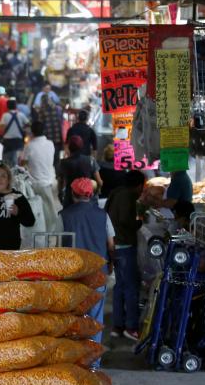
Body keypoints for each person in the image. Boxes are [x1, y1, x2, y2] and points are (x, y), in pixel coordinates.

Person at [60, 178, 115, 365]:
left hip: (73, 275)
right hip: (98, 273)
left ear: (73, 193)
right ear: (90, 194)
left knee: (73, 317)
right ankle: (93, 363)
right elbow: (111, 245)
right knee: (95, 317)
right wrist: (111, 266)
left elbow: (54, 245)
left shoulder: (64, 215)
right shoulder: (103, 215)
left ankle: (74, 360)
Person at [105, 170, 146, 341]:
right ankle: (131, 327)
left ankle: (117, 326)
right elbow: (124, 221)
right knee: (131, 287)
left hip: (115, 245)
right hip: (125, 245)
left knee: (120, 286)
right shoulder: (128, 196)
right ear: (138, 186)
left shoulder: (115, 193)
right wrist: (139, 222)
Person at [21, 121, 60, 233]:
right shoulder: (50, 144)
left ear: (32, 132)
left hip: (36, 183)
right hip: (48, 181)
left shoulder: (30, 146)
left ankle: (46, 235)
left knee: (42, 211)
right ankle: (47, 233)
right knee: (48, 210)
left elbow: (22, 163)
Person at [59, 136, 103, 207]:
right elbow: (99, 182)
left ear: (69, 147)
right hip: (87, 197)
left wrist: (61, 195)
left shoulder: (63, 163)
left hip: (70, 199)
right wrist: (95, 193)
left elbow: (61, 183)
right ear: (81, 146)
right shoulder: (90, 160)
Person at [36, 90, 64, 168]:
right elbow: (61, 121)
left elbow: (40, 125)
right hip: (58, 137)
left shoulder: (42, 111)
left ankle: (51, 173)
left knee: (49, 157)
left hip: (48, 138)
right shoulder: (57, 108)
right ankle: (57, 175)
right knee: (57, 157)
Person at [0, 98, 30, 167]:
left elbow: (1, 127)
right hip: (18, 141)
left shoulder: (5, 115)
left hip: (7, 141)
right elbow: (28, 124)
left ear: (7, 106)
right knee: (18, 161)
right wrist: (24, 129)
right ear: (15, 106)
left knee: (7, 161)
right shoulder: (21, 115)